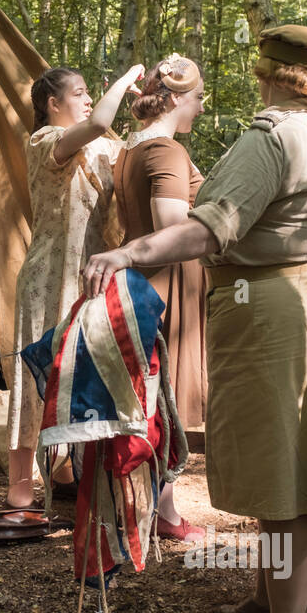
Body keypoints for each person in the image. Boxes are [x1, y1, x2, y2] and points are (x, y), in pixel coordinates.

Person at [81, 25, 307, 613]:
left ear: (268, 73)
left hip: (274, 310)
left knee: (287, 466)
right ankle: (270, 595)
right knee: (281, 451)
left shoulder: (271, 139)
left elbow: (203, 232)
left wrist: (126, 253)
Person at [5, 64, 144, 509]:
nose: (88, 99)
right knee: (36, 377)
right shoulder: (44, 140)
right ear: (53, 104)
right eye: (80, 93)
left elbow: (135, 160)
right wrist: (123, 82)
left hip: (96, 275)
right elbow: (99, 121)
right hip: (49, 277)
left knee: (82, 374)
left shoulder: (107, 147)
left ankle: (69, 474)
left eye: (90, 93)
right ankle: (20, 486)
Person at [113, 54, 207, 542]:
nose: (200, 108)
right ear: (174, 100)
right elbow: (171, 227)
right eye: (196, 99)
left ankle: (154, 506)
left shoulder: (132, 147)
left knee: (150, 395)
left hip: (142, 280)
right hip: (165, 281)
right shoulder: (166, 152)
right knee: (162, 394)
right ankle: (161, 513)